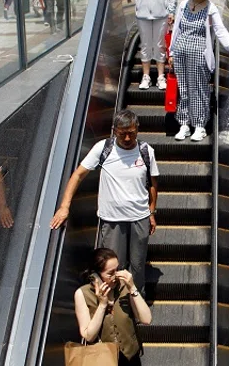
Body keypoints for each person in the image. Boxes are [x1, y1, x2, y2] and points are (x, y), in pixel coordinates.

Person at [51, 110, 159, 296]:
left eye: (131, 133)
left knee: (138, 262)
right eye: (122, 132)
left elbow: (152, 184)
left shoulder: (146, 151)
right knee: (112, 265)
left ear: (137, 130)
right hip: (112, 219)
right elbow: (78, 175)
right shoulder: (103, 148)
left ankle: (136, 298)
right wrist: (64, 207)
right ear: (114, 130)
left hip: (139, 217)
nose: (127, 137)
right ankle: (113, 301)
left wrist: (151, 212)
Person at [168, 0, 229, 142]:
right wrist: (172, 52)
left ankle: (200, 125)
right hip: (181, 50)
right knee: (184, 88)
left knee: (199, 89)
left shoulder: (210, 8)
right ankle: (184, 123)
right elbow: (177, 30)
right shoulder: (182, 5)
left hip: (199, 51)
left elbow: (219, 29)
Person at [73, 248, 152, 366]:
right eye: (110, 273)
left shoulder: (125, 288)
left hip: (130, 360)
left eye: (118, 269)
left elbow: (146, 319)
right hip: (102, 363)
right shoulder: (83, 294)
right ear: (96, 275)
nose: (116, 276)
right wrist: (102, 305)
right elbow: (88, 335)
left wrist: (133, 287)